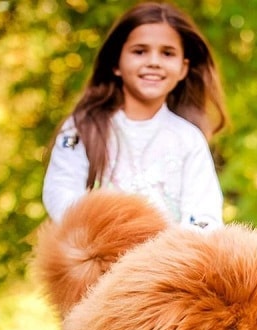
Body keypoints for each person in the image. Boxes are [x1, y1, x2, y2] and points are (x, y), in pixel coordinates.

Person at [43, 2, 227, 229]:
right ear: (116, 63)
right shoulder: (82, 128)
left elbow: (205, 219)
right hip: (98, 256)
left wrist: (169, 256)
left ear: (183, 68)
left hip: (167, 261)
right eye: (140, 51)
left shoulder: (189, 139)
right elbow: (61, 197)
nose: (154, 62)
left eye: (167, 53)